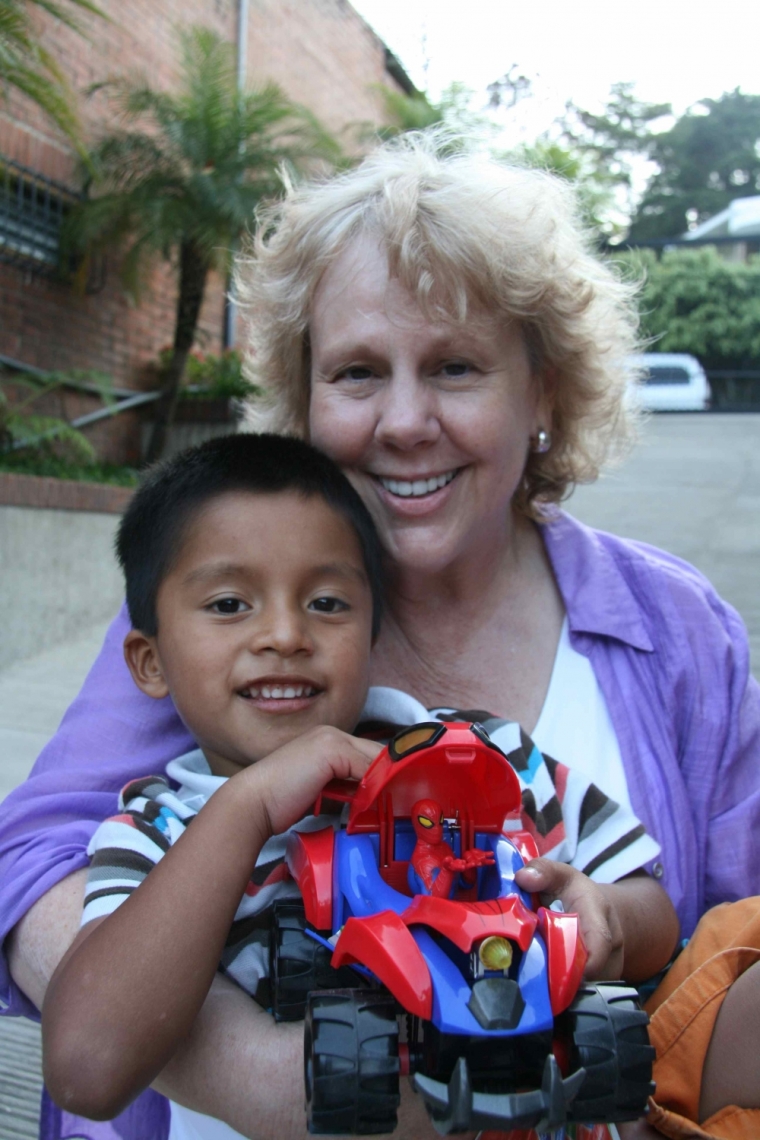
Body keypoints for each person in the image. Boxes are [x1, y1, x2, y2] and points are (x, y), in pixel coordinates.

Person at [1, 133, 759, 1139]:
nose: (404, 421)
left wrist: (605, 940)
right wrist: (261, 1073)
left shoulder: (673, 631)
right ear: (307, 397)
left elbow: (722, 943)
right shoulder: (226, 614)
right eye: (357, 372)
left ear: (541, 390)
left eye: (454, 367)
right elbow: (35, 858)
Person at [41, 431, 676, 1138]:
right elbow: (87, 1068)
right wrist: (246, 806)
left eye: (328, 603)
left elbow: (653, 907)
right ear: (150, 662)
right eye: (228, 605)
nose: (285, 634)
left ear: (375, 629)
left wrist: (610, 919)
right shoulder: (155, 833)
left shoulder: (490, 758)